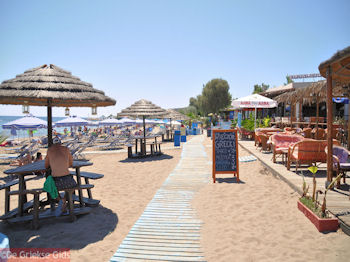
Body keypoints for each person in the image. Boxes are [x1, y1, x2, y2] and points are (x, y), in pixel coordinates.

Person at [45, 137, 76, 216]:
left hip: (56, 183)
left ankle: (61, 201)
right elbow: (71, 163)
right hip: (69, 181)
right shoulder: (66, 149)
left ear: (53, 144)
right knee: (74, 186)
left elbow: (46, 165)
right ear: (61, 143)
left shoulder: (49, 150)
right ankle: (65, 199)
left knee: (49, 187)